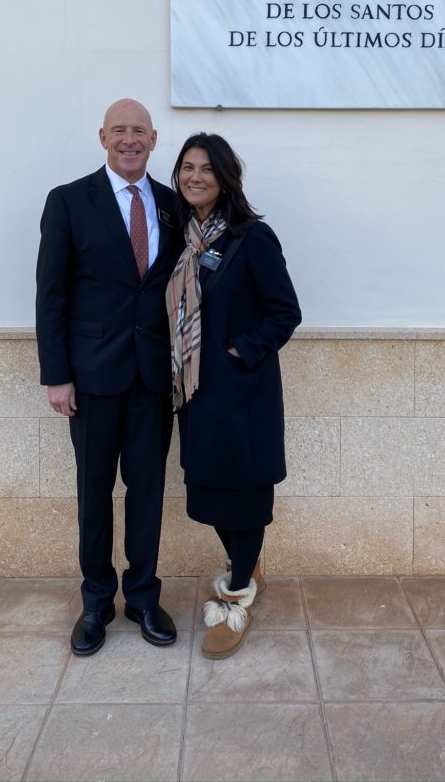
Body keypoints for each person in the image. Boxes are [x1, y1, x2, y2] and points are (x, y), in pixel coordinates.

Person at [36, 98, 181, 656]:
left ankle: (142, 596)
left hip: (153, 378)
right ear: (102, 137)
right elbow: (51, 294)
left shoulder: (171, 205)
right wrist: (57, 375)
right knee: (94, 492)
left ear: (153, 138)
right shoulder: (69, 201)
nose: (129, 139)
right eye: (119, 130)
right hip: (92, 379)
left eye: (138, 131)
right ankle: (96, 600)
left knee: (147, 491)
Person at [166, 133, 301, 659]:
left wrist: (239, 353)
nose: (195, 177)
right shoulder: (181, 239)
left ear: (225, 178)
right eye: (187, 167)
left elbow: (285, 312)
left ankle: (237, 591)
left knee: (245, 495)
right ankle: (248, 565)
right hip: (197, 394)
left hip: (243, 395)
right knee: (212, 492)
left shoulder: (251, 237)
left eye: (207, 169)